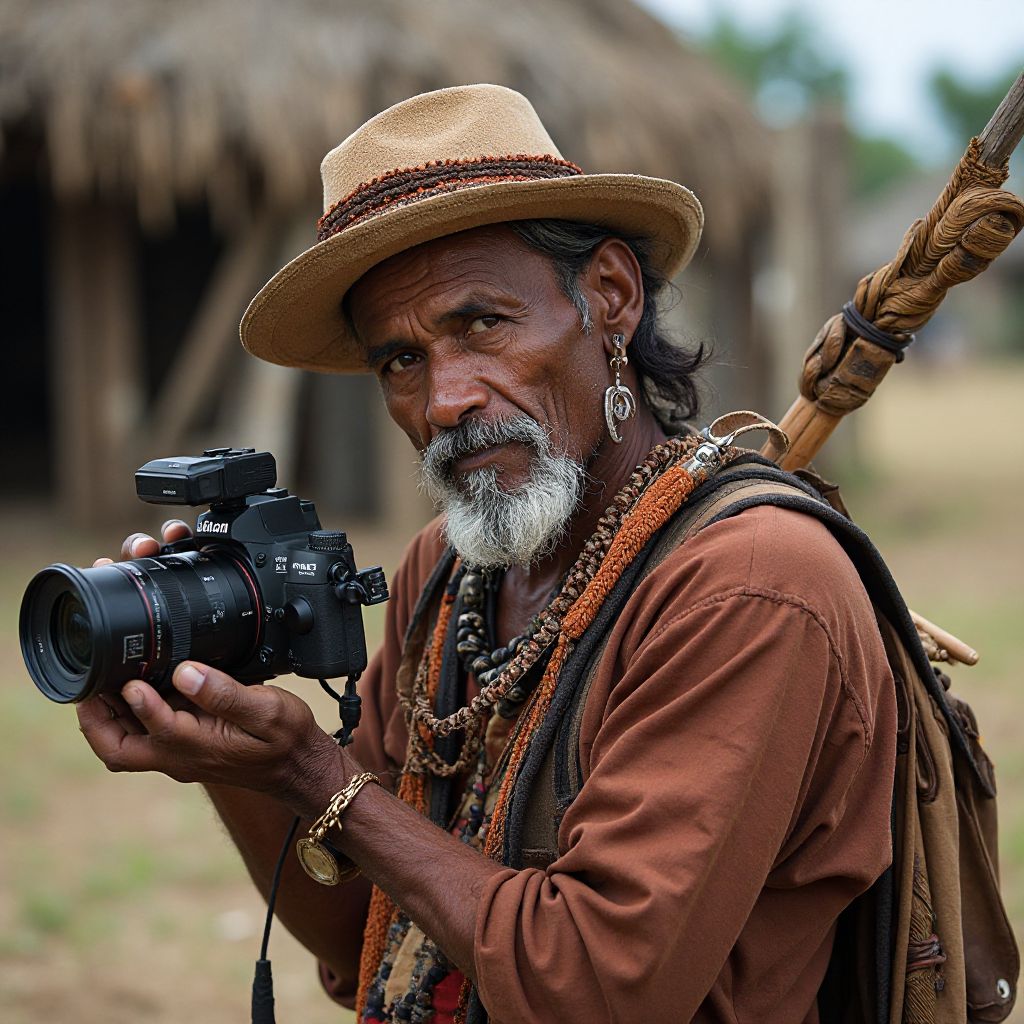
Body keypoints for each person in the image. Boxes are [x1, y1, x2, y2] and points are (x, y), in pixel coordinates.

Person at [78, 84, 897, 1023]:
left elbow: (599, 986)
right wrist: (222, 745)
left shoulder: (749, 584)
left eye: (481, 325)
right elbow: (366, 932)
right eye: (402, 360)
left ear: (610, 299)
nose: (445, 401)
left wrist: (317, 774)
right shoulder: (450, 573)